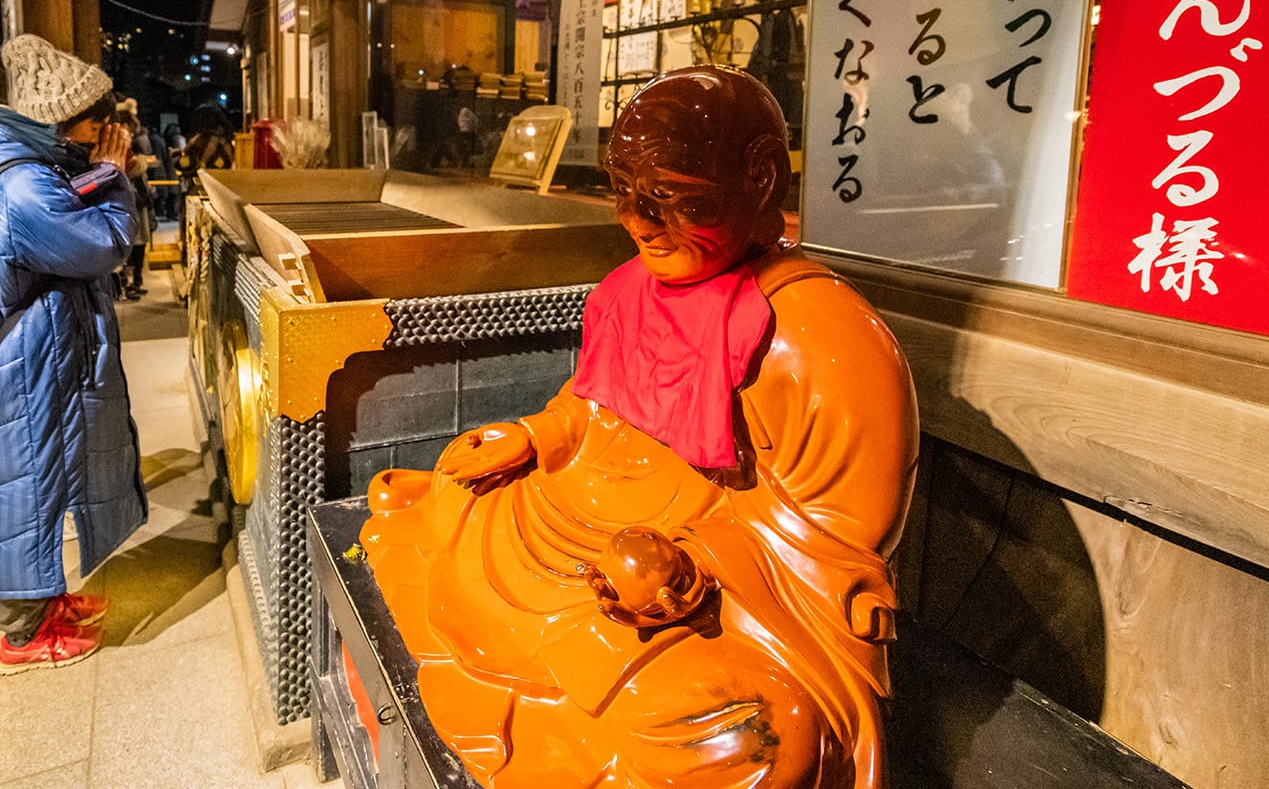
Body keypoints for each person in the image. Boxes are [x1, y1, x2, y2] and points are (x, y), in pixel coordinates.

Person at [361, 68, 919, 789]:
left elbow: (837, 553)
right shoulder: (629, 291)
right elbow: (594, 409)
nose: (638, 222)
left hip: (701, 585)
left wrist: (683, 571)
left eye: (670, 199)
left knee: (767, 734)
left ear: (760, 179)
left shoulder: (824, 339)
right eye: (624, 194)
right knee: (454, 491)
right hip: (576, 518)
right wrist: (534, 436)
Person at [0, 34, 146, 674]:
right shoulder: (23, 188)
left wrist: (101, 173)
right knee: (26, 482)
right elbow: (104, 244)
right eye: (95, 120)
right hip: (31, 358)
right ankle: (21, 636)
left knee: (48, 472)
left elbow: (67, 202)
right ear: (61, 117)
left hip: (45, 348)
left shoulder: (26, 167)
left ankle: (46, 601)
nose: (100, 134)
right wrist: (116, 179)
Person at [114, 109, 156, 301]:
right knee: (130, 246)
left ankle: (133, 282)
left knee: (138, 245)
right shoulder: (119, 151)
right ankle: (126, 285)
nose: (129, 135)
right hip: (130, 205)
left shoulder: (127, 150)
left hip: (137, 204)